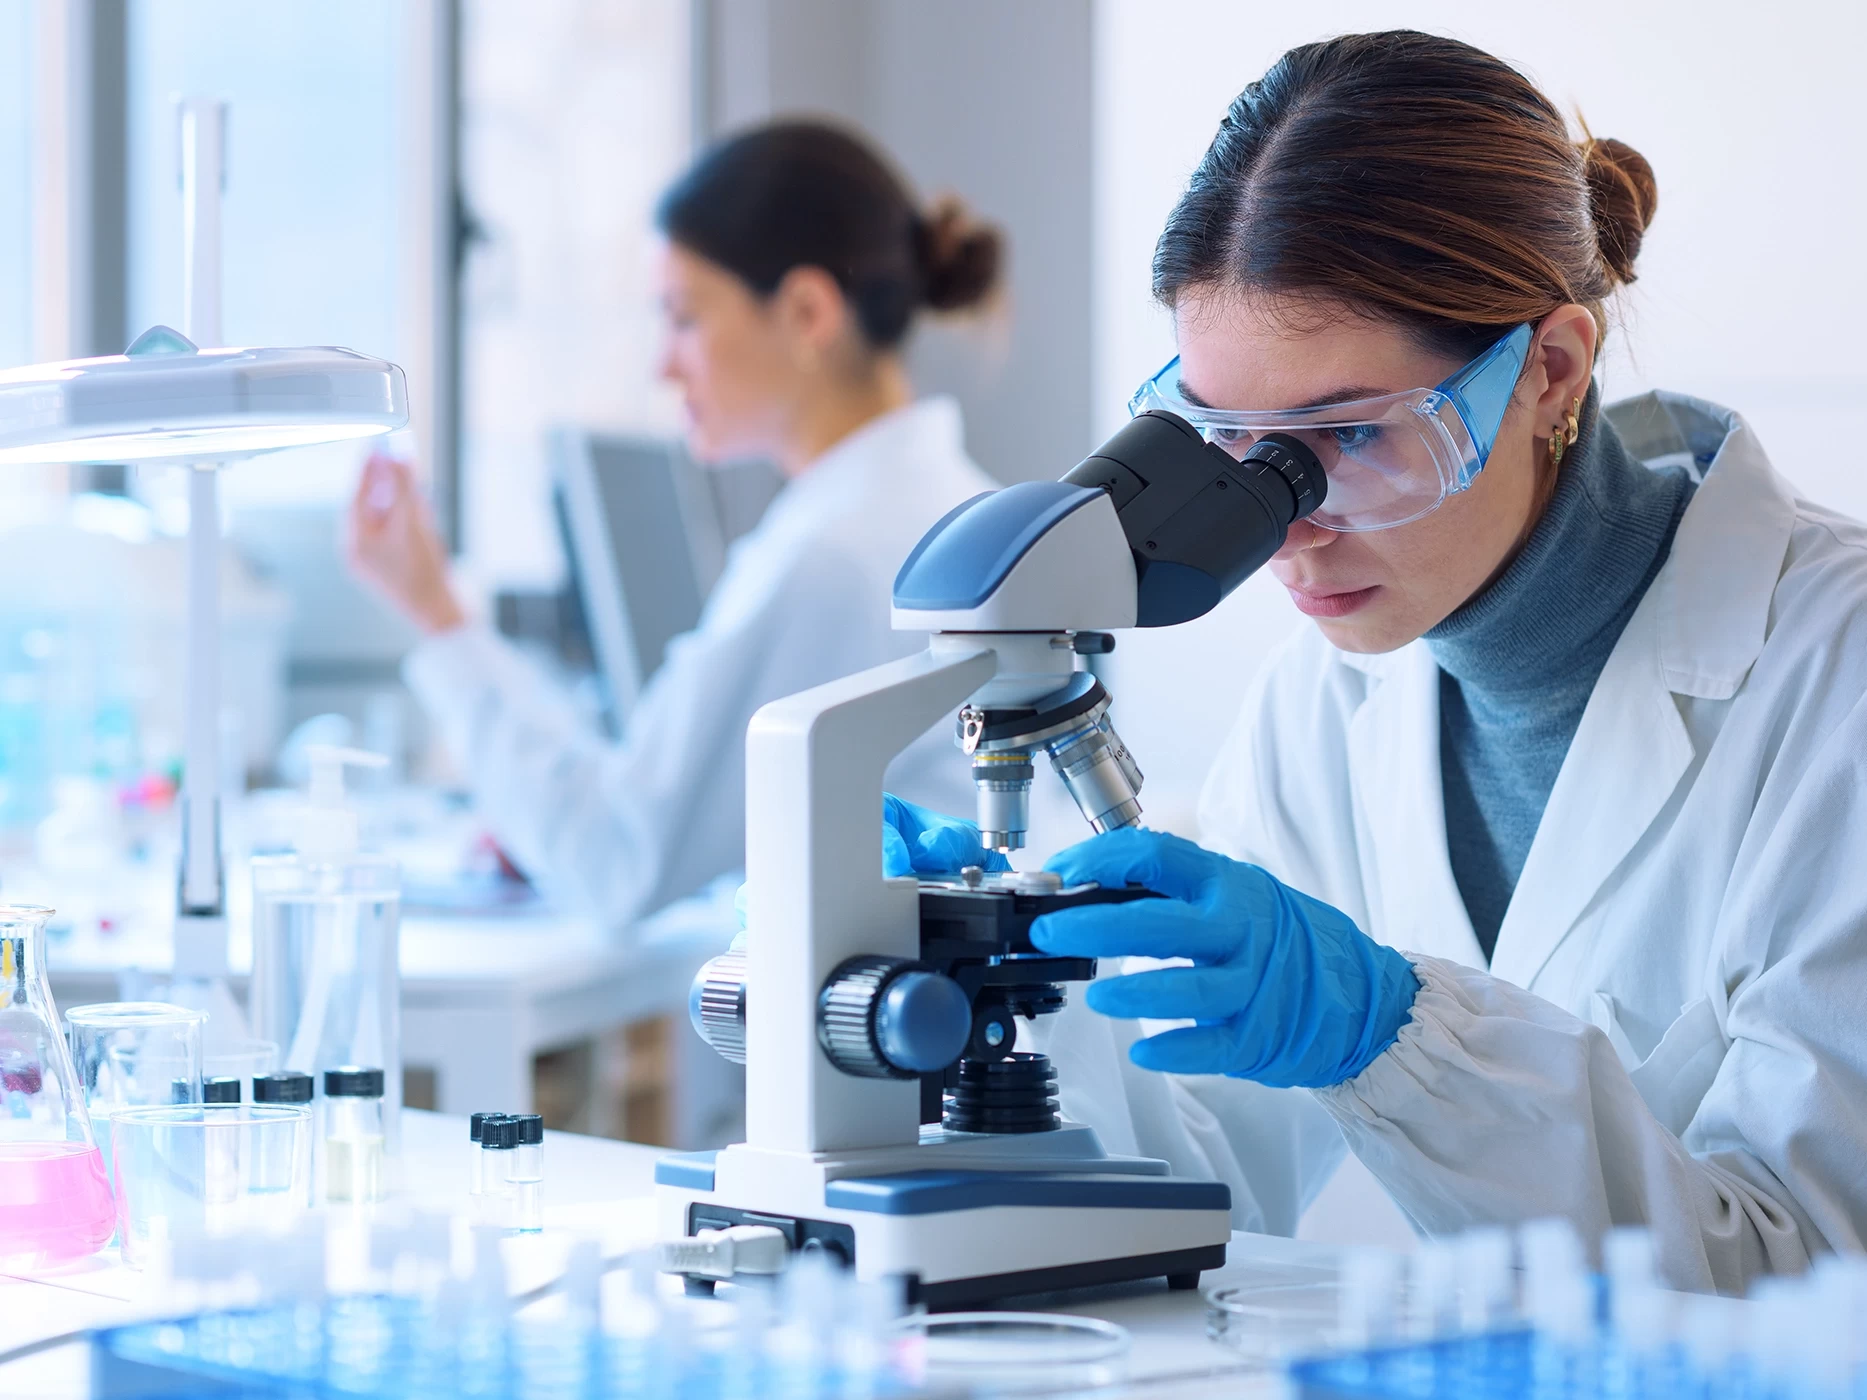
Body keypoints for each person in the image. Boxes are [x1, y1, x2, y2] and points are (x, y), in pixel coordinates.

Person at [885, 31, 1867, 1294]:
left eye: (1345, 435)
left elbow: (1812, 1283)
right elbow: (1206, 1197)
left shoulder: (1833, 679)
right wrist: (1006, 995)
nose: (1278, 524)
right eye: (1225, 440)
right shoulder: (1326, 699)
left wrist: (1392, 1039)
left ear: (1548, 370)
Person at [350, 120, 1004, 927]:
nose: (664, 364)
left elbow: (617, 860)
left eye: (684, 317)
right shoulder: (939, 504)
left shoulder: (834, 554)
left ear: (805, 312)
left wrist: (437, 616)